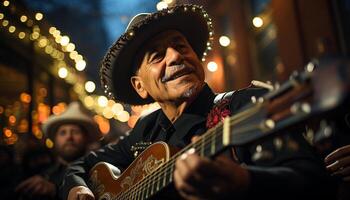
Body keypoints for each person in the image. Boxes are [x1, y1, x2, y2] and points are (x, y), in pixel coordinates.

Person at [61, 4, 334, 200]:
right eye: (157, 56)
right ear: (139, 86)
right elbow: (79, 166)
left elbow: (314, 180)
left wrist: (245, 182)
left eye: (180, 46)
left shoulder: (247, 105)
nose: (176, 57)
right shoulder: (145, 129)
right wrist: (77, 189)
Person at [16, 102, 100, 199]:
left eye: (75, 132)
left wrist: (55, 190)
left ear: (86, 138)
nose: (69, 137)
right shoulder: (44, 174)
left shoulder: (97, 171)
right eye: (63, 133)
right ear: (54, 139)